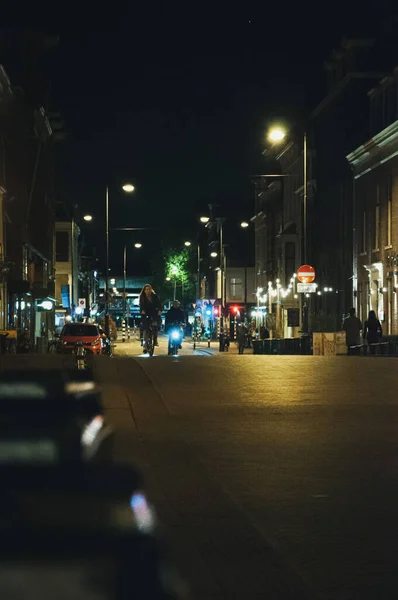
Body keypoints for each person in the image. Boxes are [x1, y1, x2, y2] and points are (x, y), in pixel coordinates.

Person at [139, 284, 162, 352]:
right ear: (144, 290)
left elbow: (159, 304)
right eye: (146, 289)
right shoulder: (142, 297)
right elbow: (141, 306)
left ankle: (155, 340)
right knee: (145, 329)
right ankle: (145, 346)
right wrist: (142, 311)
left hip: (154, 313)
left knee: (155, 326)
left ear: (151, 290)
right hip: (145, 314)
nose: (148, 291)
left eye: (149, 289)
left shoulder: (155, 296)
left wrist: (160, 311)